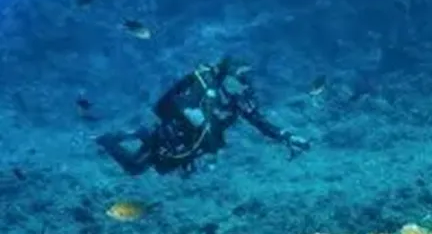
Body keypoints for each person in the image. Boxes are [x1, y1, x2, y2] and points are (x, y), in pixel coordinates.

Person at [96, 56, 310, 175]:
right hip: (173, 136)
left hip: (192, 146)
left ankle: (140, 134)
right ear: (228, 75)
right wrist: (193, 115)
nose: (245, 83)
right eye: (241, 76)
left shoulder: (237, 98)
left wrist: (286, 136)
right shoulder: (205, 87)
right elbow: (176, 103)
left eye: (247, 77)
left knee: (162, 168)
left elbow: (259, 122)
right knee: (135, 168)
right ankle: (109, 139)